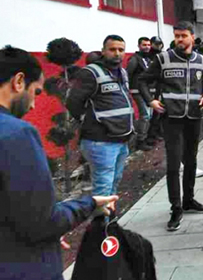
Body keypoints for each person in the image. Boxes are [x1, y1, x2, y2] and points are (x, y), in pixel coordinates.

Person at [0, 46, 118, 280]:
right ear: (19, 81)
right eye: (36, 92)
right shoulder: (15, 134)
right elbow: (42, 222)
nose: (33, 105)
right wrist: (88, 204)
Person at [139, 21, 203, 231]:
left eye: (183, 35)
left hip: (194, 117)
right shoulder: (163, 59)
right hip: (171, 118)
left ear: (192, 36)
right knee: (173, 164)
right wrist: (150, 101)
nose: (179, 39)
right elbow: (143, 80)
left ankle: (188, 200)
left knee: (191, 161)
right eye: (176, 35)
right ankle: (176, 208)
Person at [67, 35, 134, 197]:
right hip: (100, 141)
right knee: (103, 185)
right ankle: (100, 221)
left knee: (114, 181)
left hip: (121, 138)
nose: (117, 53)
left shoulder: (122, 73)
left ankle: (109, 220)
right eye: (112, 49)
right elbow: (73, 102)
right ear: (103, 51)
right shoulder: (90, 73)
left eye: (121, 50)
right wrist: (86, 119)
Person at [127, 36, 155, 151]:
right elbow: (128, 74)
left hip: (148, 91)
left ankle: (145, 137)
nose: (147, 47)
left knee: (150, 115)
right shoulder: (134, 59)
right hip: (137, 91)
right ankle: (140, 140)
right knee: (145, 115)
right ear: (139, 46)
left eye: (149, 45)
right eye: (144, 45)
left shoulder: (148, 59)